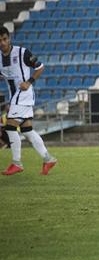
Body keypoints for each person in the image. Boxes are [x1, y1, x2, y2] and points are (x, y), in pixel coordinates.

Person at [0, 26, 57, 175]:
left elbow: (40, 67)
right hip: (15, 97)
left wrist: (29, 81)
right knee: (27, 130)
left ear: (9, 38)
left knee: (10, 127)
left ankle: (17, 162)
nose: (3, 43)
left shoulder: (22, 53)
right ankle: (48, 159)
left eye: (4, 39)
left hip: (24, 94)